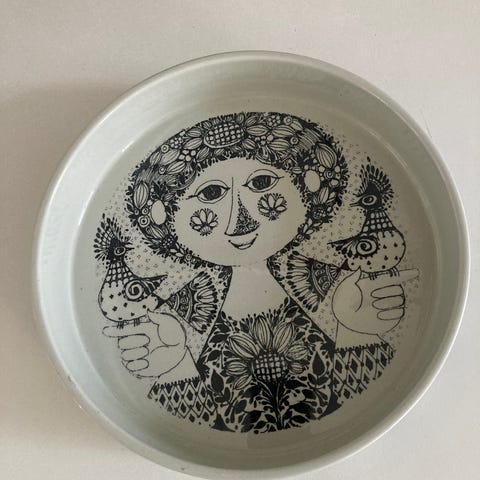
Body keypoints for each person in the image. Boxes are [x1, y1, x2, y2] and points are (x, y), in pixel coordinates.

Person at [99, 112, 415, 434]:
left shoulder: (340, 291)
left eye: (261, 183)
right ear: (165, 218)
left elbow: (361, 408)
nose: (241, 220)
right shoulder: (175, 321)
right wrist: (175, 370)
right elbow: (187, 432)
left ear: (307, 188)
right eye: (211, 193)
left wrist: (356, 335)